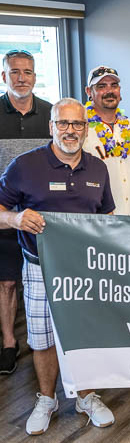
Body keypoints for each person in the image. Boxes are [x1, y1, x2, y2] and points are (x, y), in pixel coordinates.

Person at [0, 98, 116, 435]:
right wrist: (15, 218)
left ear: (85, 128)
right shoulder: (25, 165)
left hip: (85, 270)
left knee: (85, 336)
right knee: (42, 338)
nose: (70, 130)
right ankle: (47, 399)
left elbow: (106, 217)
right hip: (40, 268)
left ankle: (85, 395)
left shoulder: (97, 168)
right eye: (63, 123)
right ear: (51, 126)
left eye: (77, 124)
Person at [0, 49, 51, 375]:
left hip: (40, 213)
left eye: (28, 72)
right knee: (7, 282)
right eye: (15, 72)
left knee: (41, 280)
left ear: (34, 77)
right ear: (4, 76)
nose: (22, 77)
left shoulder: (49, 112)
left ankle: (46, 339)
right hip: (4, 210)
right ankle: (8, 342)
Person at [83, 65, 130, 216]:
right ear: (89, 92)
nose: (109, 91)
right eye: (101, 86)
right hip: (99, 222)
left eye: (113, 85)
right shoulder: (80, 127)